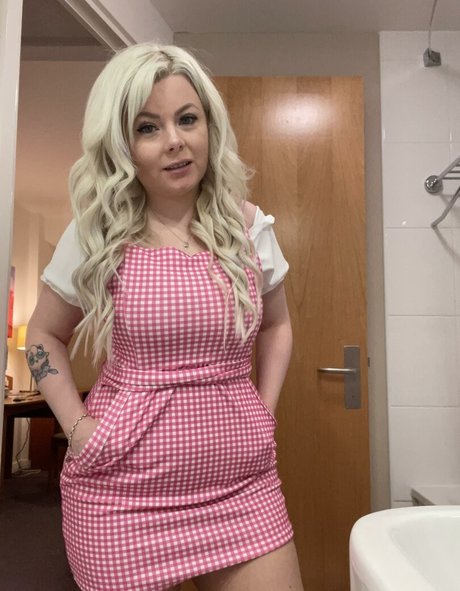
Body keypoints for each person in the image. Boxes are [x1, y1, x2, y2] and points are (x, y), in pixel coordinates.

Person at [26, 42, 304, 591]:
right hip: (121, 494)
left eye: (187, 119)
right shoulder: (95, 233)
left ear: (209, 125)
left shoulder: (249, 227)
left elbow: (277, 325)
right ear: (121, 144)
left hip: (241, 489)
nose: (175, 140)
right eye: (148, 127)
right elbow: (43, 335)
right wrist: (79, 430)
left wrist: (264, 412)